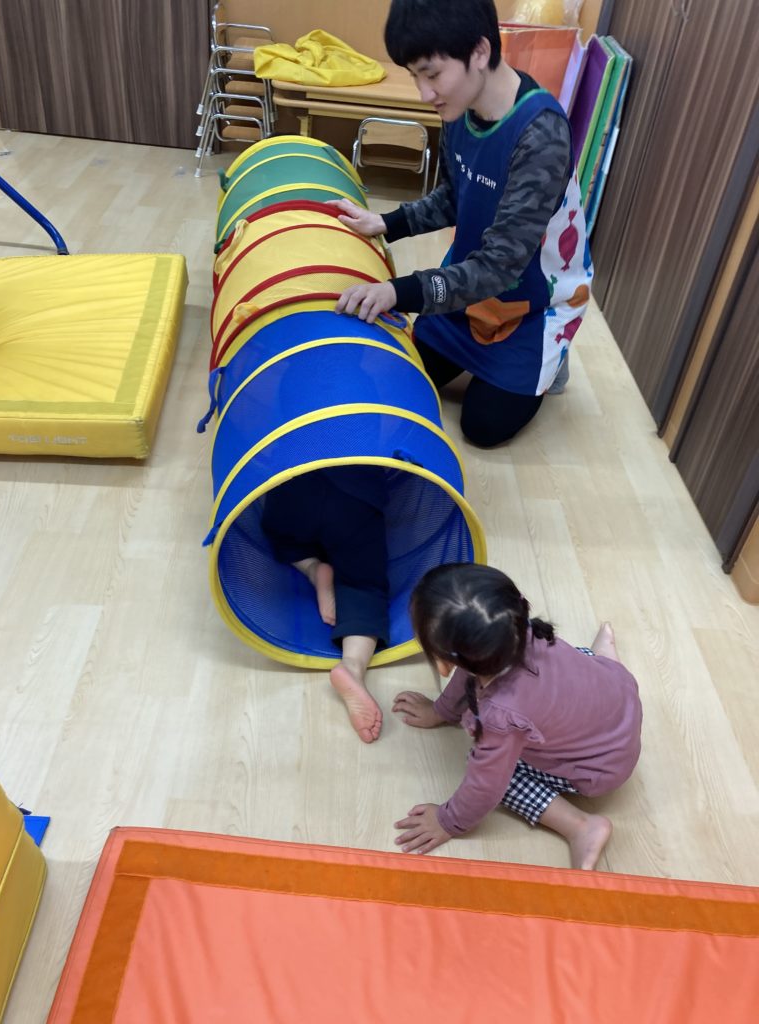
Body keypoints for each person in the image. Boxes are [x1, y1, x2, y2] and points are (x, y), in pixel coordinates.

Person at [331, 0, 592, 446]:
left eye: (432, 74)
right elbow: (455, 196)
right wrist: (387, 223)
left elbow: (500, 266)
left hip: (532, 305)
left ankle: (553, 356)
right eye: (416, 76)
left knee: (482, 428)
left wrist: (398, 292)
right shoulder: (459, 110)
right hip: (470, 290)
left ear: (479, 51)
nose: (424, 93)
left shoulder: (541, 134)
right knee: (403, 375)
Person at [391, 563, 642, 869]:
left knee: (497, 773)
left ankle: (580, 826)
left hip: (599, 768)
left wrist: (448, 821)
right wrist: (440, 711)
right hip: (618, 694)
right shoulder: (519, 631)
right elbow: (469, 672)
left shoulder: (501, 718)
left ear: (443, 664)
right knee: (574, 661)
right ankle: (604, 657)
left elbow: (484, 787)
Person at [261, 466, 390, 743]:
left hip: (290, 486)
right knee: (364, 585)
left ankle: (312, 567)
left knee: (281, 537)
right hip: (355, 497)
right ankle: (352, 665)